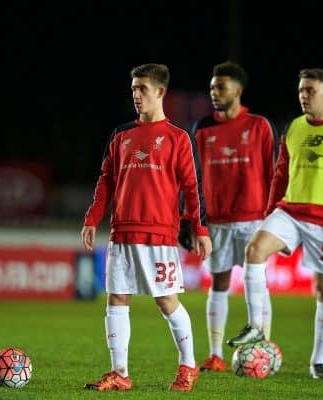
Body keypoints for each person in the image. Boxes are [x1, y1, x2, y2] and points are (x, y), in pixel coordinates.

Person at [226, 68, 323, 380]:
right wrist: (268, 213)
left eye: (311, 91)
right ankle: (254, 325)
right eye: (301, 90)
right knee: (255, 249)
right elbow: (280, 173)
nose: (304, 95)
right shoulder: (294, 127)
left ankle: (317, 361)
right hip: (290, 211)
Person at [81, 63, 213, 392]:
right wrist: (92, 217)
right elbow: (106, 182)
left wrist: (201, 228)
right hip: (122, 232)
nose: (136, 95)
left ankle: (188, 366)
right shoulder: (122, 135)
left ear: (160, 92)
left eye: (142, 89)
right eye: (134, 89)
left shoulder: (178, 138)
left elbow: (193, 187)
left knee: (166, 301)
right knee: (116, 299)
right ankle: (120, 373)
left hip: (158, 234)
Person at [178, 61, 279, 373]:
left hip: (254, 219)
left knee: (258, 284)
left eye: (220, 87)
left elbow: (275, 174)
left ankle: (264, 349)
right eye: (212, 87)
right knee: (219, 283)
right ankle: (215, 354)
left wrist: (277, 217)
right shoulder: (203, 128)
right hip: (217, 220)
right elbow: (191, 177)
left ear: (238, 89)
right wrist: (188, 218)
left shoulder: (260, 126)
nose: (214, 92)